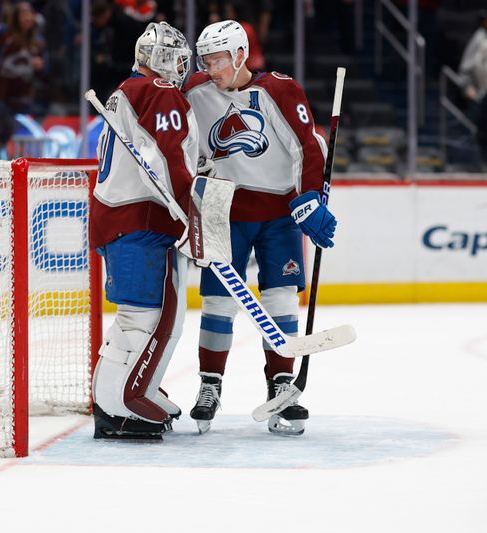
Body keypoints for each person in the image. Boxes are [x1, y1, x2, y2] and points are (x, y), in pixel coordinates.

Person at [183, 20, 335, 436]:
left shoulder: (279, 90)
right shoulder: (194, 89)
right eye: (205, 60)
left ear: (238, 55)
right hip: (222, 208)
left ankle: (281, 383)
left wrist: (310, 200)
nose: (210, 68)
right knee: (217, 301)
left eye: (217, 59)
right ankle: (209, 384)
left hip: (277, 212)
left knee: (281, 298)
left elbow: (308, 145)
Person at [90, 21, 232, 440]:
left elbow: (161, 154)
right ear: (164, 60)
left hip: (131, 217)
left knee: (160, 317)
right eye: (179, 59)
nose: (184, 67)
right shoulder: (159, 91)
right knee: (141, 319)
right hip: (138, 220)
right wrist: (194, 202)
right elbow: (167, 156)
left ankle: (137, 388)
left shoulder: (127, 91)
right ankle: (117, 406)